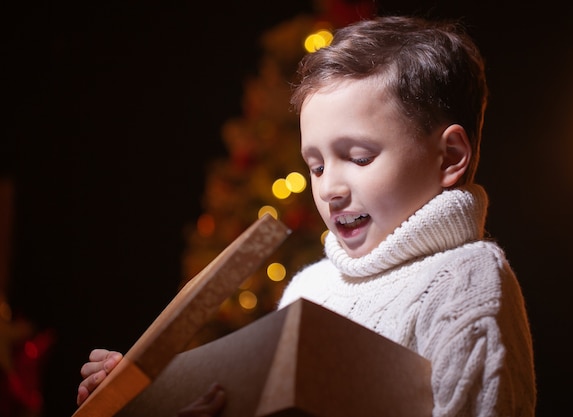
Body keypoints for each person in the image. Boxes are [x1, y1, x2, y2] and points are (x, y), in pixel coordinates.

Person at [76, 15, 536, 417]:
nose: (329, 188)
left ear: (449, 156)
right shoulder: (308, 288)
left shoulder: (465, 280)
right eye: (315, 166)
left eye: (358, 157)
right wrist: (144, 399)